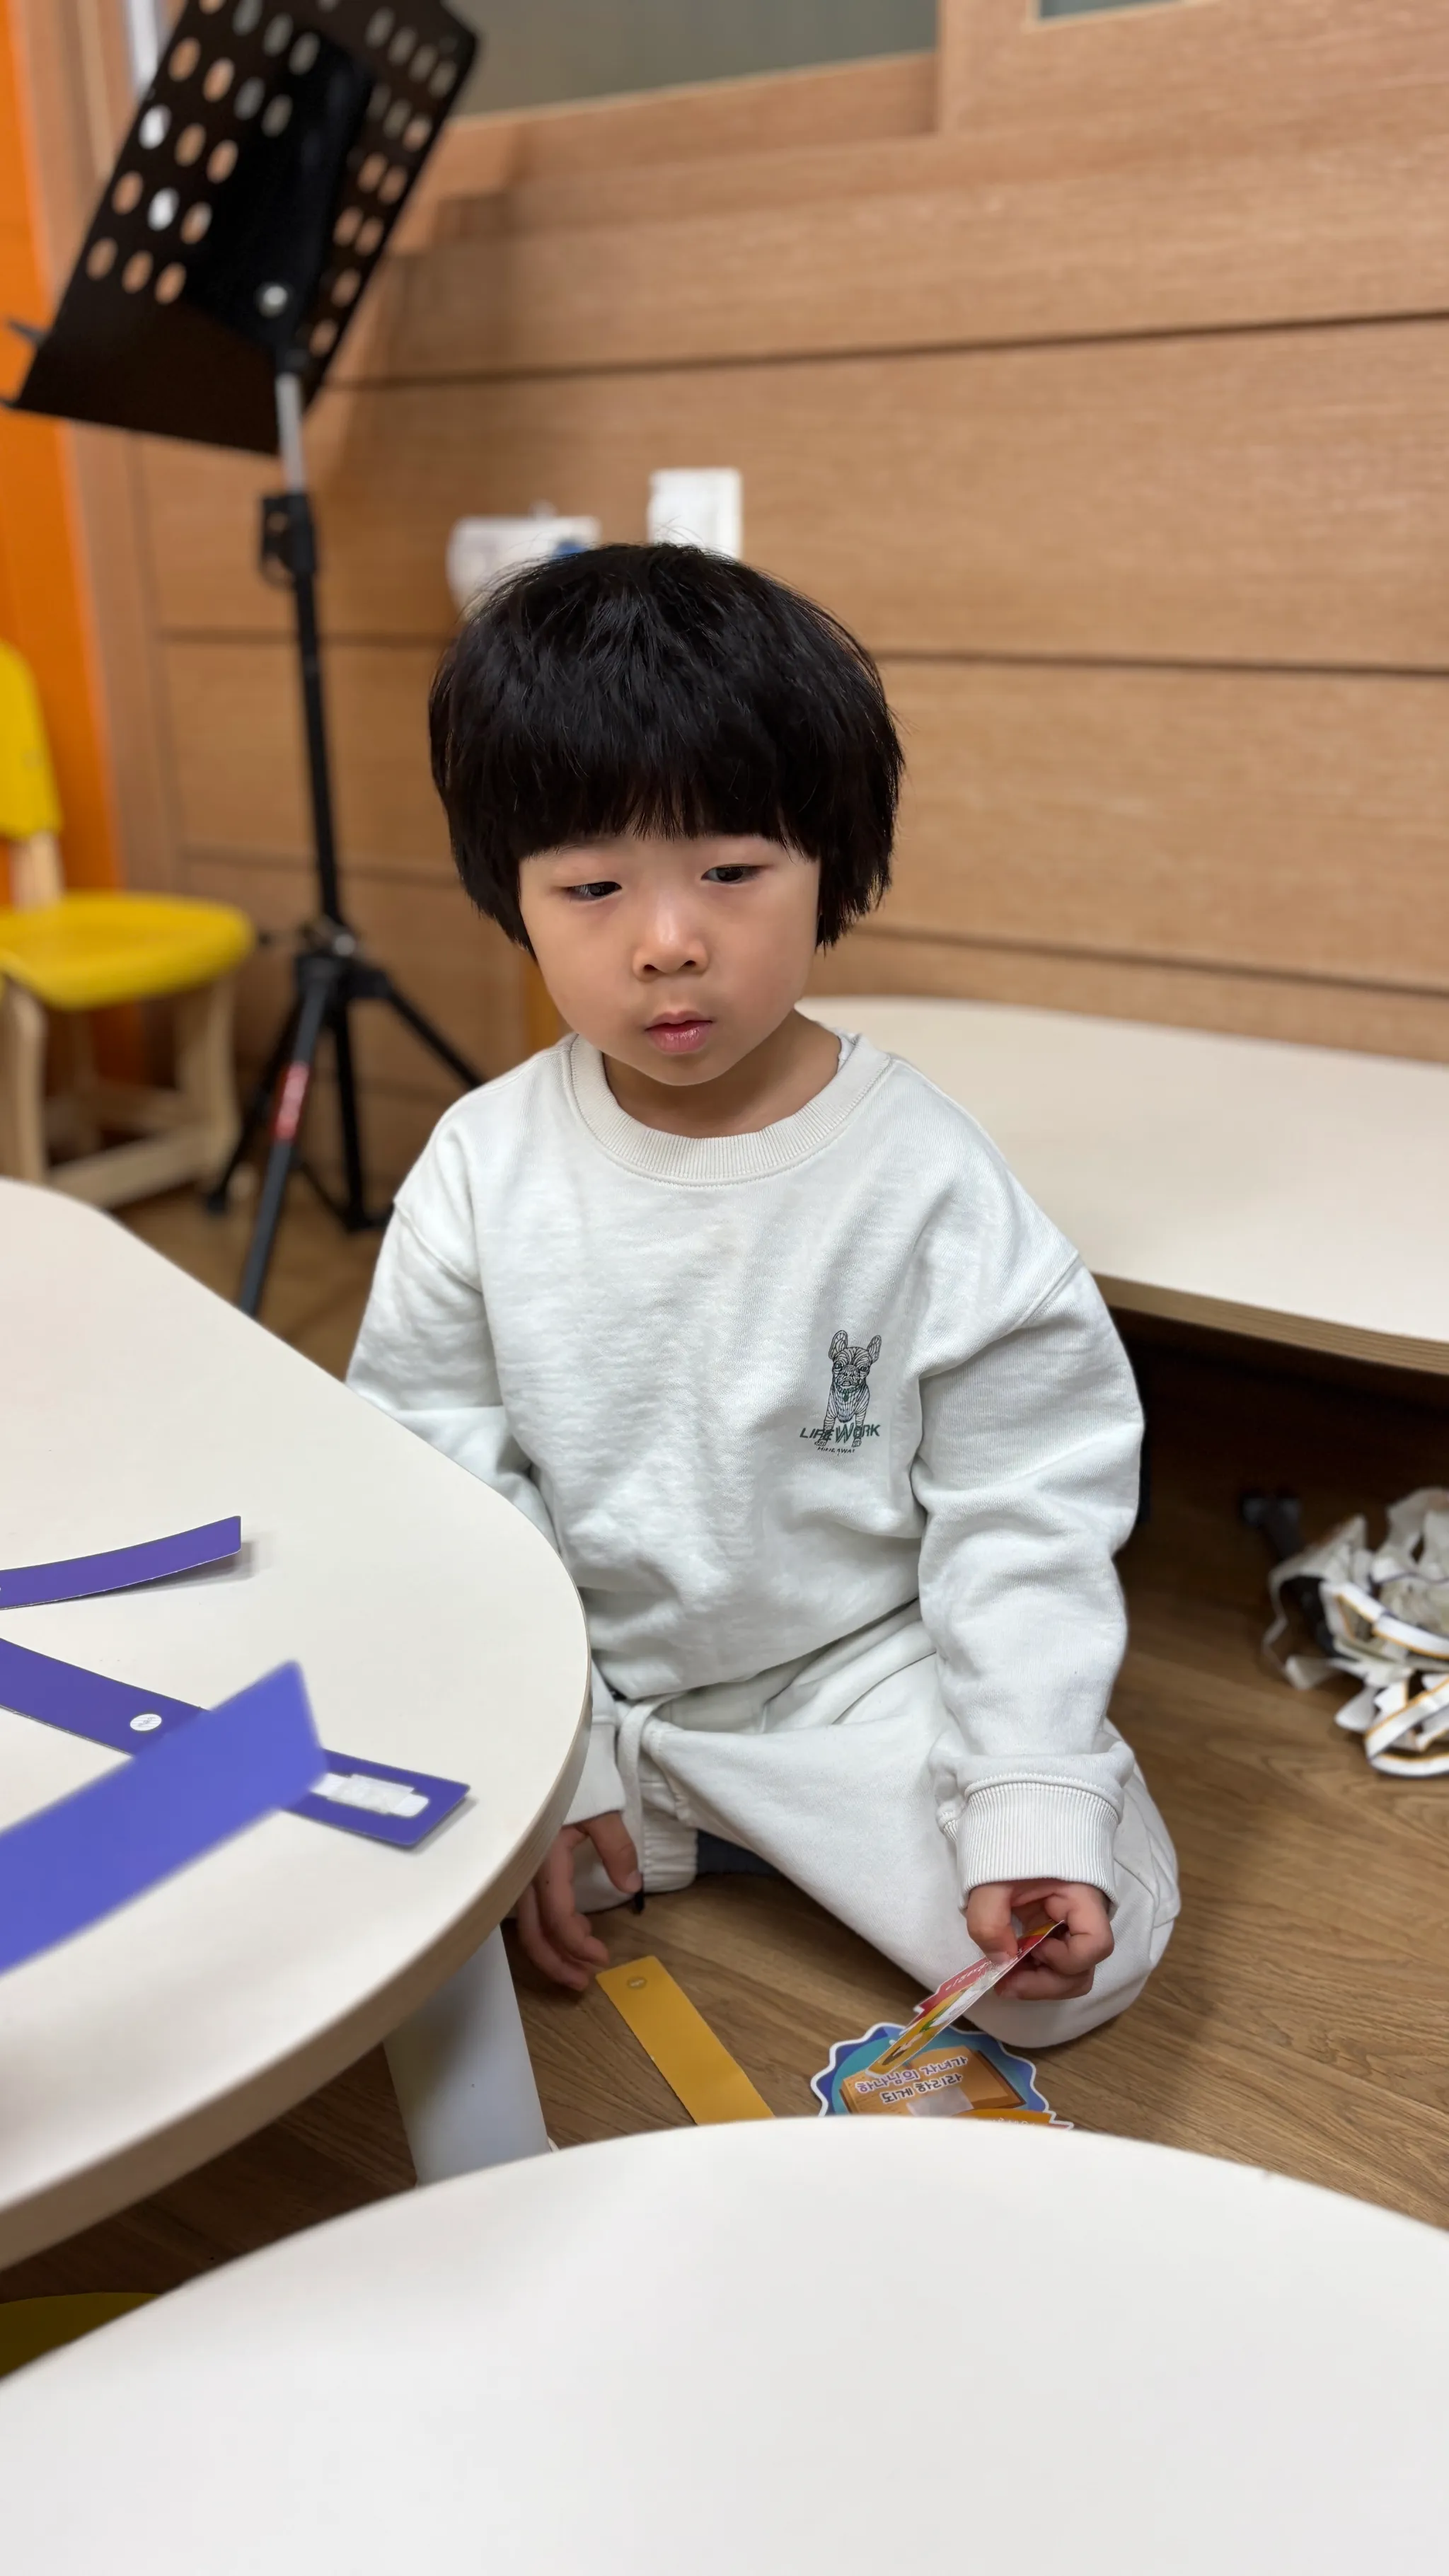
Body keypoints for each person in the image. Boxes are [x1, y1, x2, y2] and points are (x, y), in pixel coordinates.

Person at [348, 543, 1179, 2047]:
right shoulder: (481, 1162)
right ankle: (648, 1804)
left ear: (832, 864)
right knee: (348, 1892)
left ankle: (720, 1816)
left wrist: (1028, 1793)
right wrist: (553, 1748)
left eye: (730, 873)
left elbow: (1025, 1497)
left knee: (1067, 1960)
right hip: (583, 1668)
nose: (668, 938)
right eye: (592, 886)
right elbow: (433, 1474)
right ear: (511, 897)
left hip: (858, 1669)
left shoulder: (922, 1171)